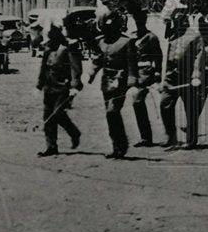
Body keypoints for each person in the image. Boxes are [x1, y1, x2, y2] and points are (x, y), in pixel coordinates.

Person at [87, 10, 133, 159]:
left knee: (112, 111)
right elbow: (98, 60)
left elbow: (132, 63)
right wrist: (91, 74)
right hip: (106, 81)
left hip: (120, 81)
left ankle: (122, 145)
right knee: (110, 114)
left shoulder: (126, 42)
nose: (107, 33)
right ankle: (116, 147)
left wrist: (132, 79)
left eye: (110, 29)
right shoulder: (101, 41)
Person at [35, 18, 83, 157]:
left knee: (58, 113)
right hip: (49, 88)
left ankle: (74, 132)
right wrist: (39, 86)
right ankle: (51, 147)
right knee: (48, 117)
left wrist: (75, 86)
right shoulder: (48, 50)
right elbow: (43, 69)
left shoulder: (68, 49)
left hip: (63, 88)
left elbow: (75, 69)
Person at [159, 5, 202, 149]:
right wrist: (164, 80)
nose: (179, 21)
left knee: (190, 109)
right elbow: (169, 59)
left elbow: (199, 56)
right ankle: (171, 136)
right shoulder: (173, 36)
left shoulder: (195, 36)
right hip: (171, 78)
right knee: (165, 105)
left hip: (187, 78)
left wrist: (196, 74)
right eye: (176, 19)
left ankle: (191, 139)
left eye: (181, 18)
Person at [129, 9, 163, 147]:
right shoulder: (132, 37)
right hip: (135, 73)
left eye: (141, 21)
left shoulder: (151, 37)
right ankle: (145, 137)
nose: (139, 24)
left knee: (138, 102)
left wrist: (157, 72)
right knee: (137, 105)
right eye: (137, 21)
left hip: (147, 72)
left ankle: (148, 137)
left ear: (145, 21)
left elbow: (158, 56)